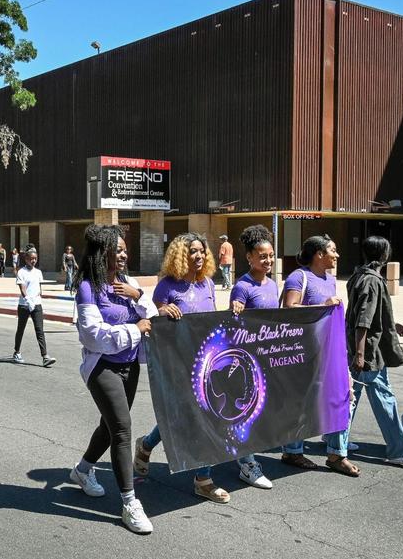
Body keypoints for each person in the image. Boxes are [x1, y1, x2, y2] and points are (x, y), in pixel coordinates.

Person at [68, 225, 156, 535]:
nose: (123, 253)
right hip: (102, 367)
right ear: (101, 252)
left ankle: (81, 471)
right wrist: (136, 330)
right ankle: (130, 503)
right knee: (122, 428)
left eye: (124, 249)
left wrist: (140, 294)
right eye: (117, 249)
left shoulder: (128, 283)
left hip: (130, 366)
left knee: (108, 427)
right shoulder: (88, 288)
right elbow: (94, 337)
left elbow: (152, 317)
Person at [133, 233, 231, 503]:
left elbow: (212, 321)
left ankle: (203, 479)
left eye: (201, 251)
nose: (198, 256)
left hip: (209, 362)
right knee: (178, 417)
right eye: (192, 252)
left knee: (207, 416)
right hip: (180, 362)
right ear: (180, 256)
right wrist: (163, 312)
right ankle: (146, 444)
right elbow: (155, 324)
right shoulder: (167, 286)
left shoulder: (209, 283)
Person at [343, 236, 403, 466]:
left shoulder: (358, 276)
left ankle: (337, 440)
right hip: (370, 351)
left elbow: (367, 312)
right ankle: (399, 450)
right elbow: (363, 319)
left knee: (351, 396)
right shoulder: (372, 281)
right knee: (384, 398)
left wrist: (392, 323)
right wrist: (360, 354)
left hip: (361, 348)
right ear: (385, 255)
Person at [280, 235, 356, 476]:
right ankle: (292, 451)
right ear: (319, 254)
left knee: (342, 397)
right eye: (333, 250)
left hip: (330, 350)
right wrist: (324, 304)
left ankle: (336, 454)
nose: (337, 255)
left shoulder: (330, 279)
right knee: (302, 402)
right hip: (304, 353)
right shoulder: (299, 277)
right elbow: (289, 310)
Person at [226, 224, 281, 489]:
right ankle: (248, 465)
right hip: (246, 362)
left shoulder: (272, 285)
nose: (268, 260)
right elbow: (233, 323)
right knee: (244, 414)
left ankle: (147, 444)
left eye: (270, 255)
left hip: (266, 358)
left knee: (254, 414)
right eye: (262, 256)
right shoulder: (242, 286)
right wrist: (234, 309)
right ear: (249, 257)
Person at [13, 248, 56, 366]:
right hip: (24, 305)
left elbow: (39, 287)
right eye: (31, 259)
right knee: (21, 329)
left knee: (39, 330)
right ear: (26, 259)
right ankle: (16, 351)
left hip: (36, 304)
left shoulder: (38, 272)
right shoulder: (21, 272)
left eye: (35, 259)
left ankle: (45, 356)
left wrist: (37, 297)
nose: (33, 261)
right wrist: (28, 299)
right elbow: (22, 288)